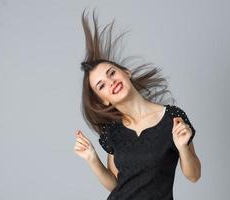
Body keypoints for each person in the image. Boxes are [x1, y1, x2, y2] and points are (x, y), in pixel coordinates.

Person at [74, 7, 201, 200]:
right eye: (102, 85)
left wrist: (183, 147)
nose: (111, 82)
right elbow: (116, 185)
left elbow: (194, 176)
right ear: (103, 99)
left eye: (112, 73)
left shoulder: (172, 117)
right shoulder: (113, 131)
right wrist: (92, 159)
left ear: (126, 72)